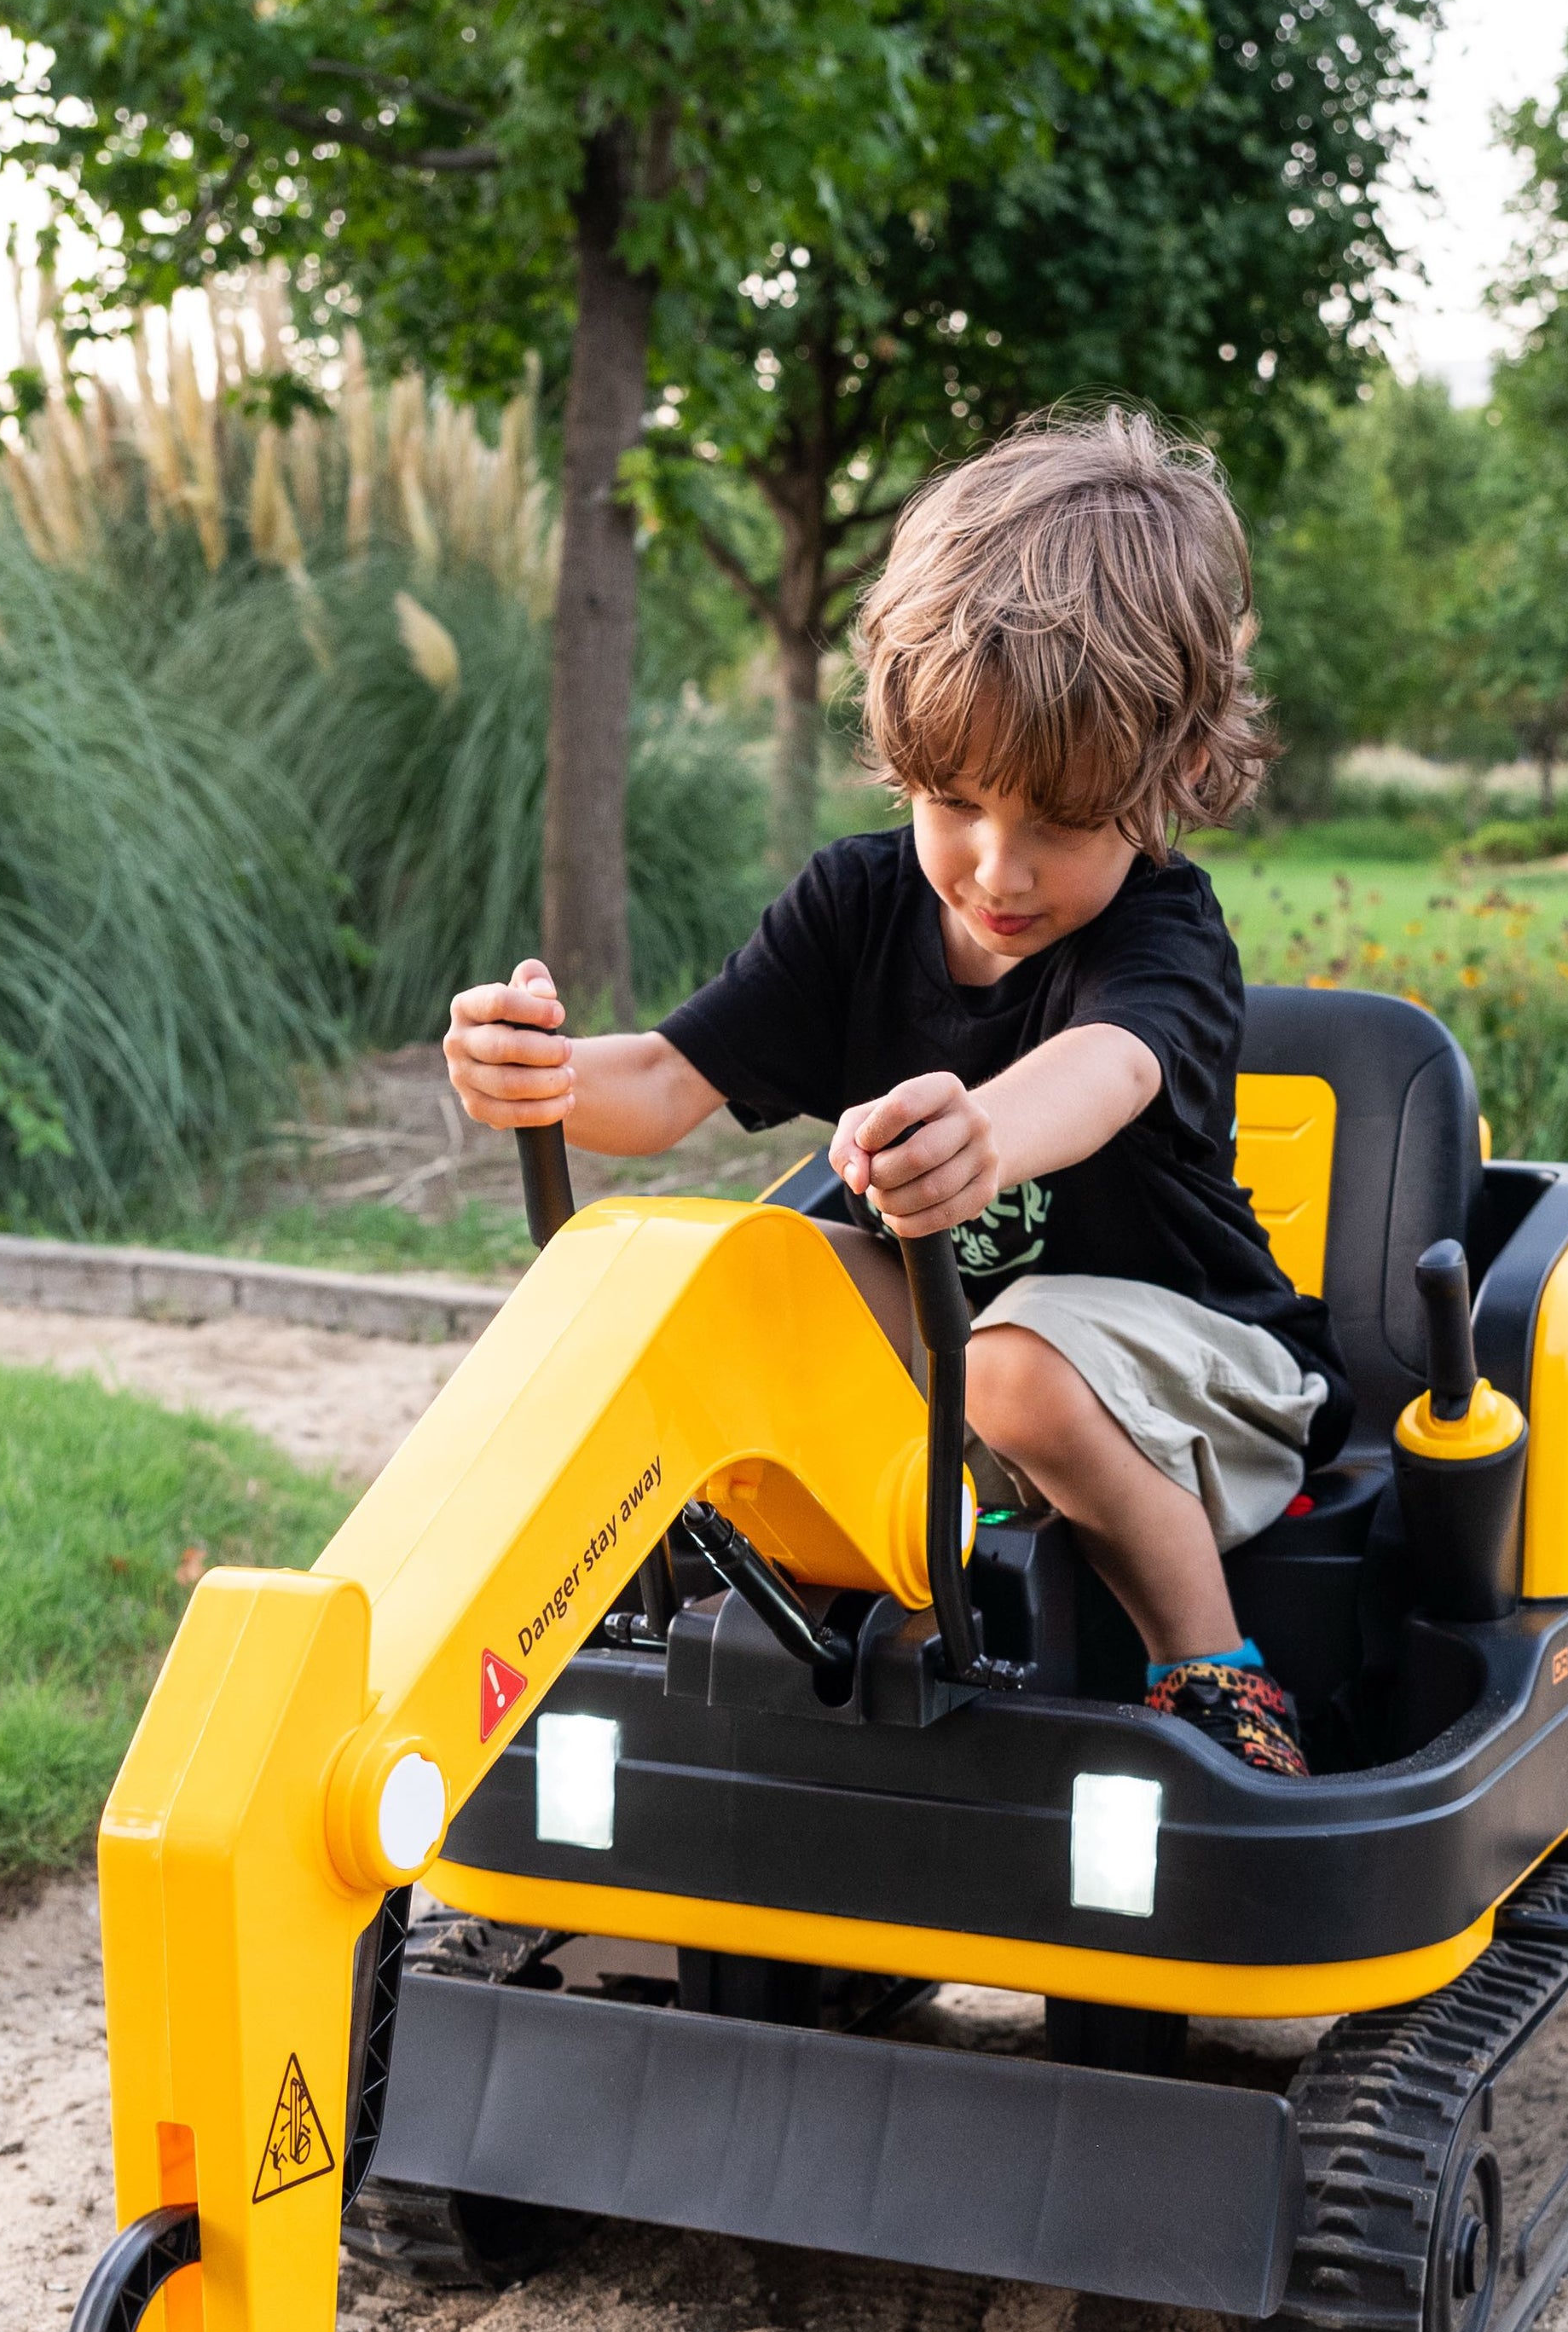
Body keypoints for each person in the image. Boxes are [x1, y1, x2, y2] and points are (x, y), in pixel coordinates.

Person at [437, 407, 1339, 1776]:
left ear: (1178, 777)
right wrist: (543, 1081)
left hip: (1203, 1376)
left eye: (1061, 821)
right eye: (959, 803)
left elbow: (1106, 1071)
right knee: (738, 1281)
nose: (999, 868)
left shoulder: (1166, 931)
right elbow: (671, 1079)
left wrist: (984, 1134)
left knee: (1022, 1362)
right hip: (956, 1355)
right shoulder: (857, 904)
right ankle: (678, 1621)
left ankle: (1216, 1672)